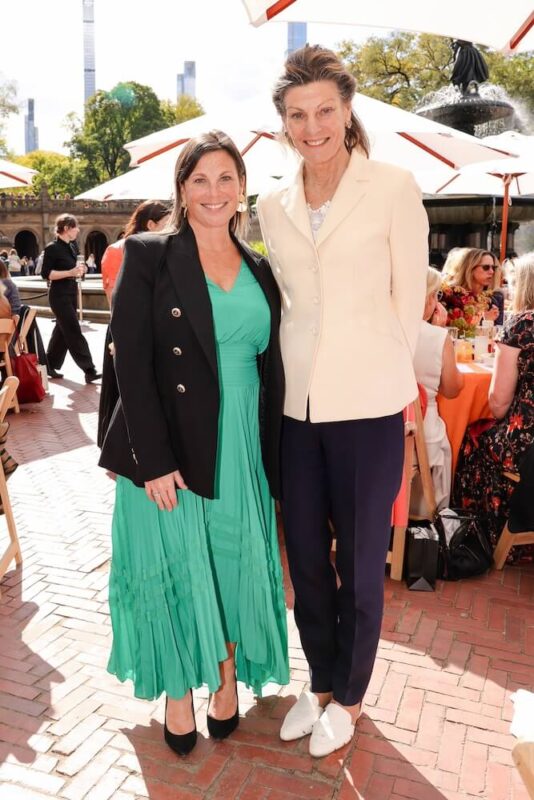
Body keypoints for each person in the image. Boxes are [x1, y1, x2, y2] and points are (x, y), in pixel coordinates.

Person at [256, 45, 428, 757]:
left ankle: (351, 696)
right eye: (298, 115)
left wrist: (393, 387)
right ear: (284, 123)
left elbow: (408, 301)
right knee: (305, 557)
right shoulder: (271, 204)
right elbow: (287, 307)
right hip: (296, 412)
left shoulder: (392, 187)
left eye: (325, 110)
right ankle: (321, 680)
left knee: (360, 564)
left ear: (347, 110)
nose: (313, 126)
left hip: (370, 406)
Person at [99, 131, 289, 756]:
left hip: (240, 443)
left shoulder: (261, 267)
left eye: (226, 178)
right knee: (176, 566)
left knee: (231, 563)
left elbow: (272, 366)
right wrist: (152, 460)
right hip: (169, 443)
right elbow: (131, 363)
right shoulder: (148, 254)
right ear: (181, 190)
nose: (214, 191)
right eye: (200, 179)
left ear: (243, 188)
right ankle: (178, 688)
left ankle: (226, 674)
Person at [454, 252, 534, 562]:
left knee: (475, 439)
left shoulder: (521, 325)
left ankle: (490, 534)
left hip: (526, 444)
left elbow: (498, 405)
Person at [97, 200, 171, 447]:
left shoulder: (166, 249)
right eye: (167, 223)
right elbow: (114, 301)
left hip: (155, 333)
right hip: (127, 332)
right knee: (127, 394)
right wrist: (120, 338)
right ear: (151, 224)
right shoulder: (119, 250)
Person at [411, 268, 464, 515]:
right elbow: (452, 389)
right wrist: (438, 332)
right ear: (427, 298)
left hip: (382, 438)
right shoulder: (436, 337)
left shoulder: (379, 330)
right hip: (423, 438)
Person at [41, 214, 101, 382]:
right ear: (67, 228)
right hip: (59, 295)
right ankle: (89, 369)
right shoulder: (52, 248)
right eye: (75, 227)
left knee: (62, 331)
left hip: (71, 292)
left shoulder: (73, 246)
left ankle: (49, 364)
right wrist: (70, 272)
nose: (78, 230)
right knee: (73, 330)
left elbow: (77, 267)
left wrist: (83, 269)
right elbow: (46, 274)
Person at [441, 247, 504, 327]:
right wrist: (484, 321)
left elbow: (499, 330)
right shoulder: (451, 294)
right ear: (470, 268)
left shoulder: (496, 297)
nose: (491, 271)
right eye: (486, 267)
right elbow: (451, 328)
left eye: (493, 268)